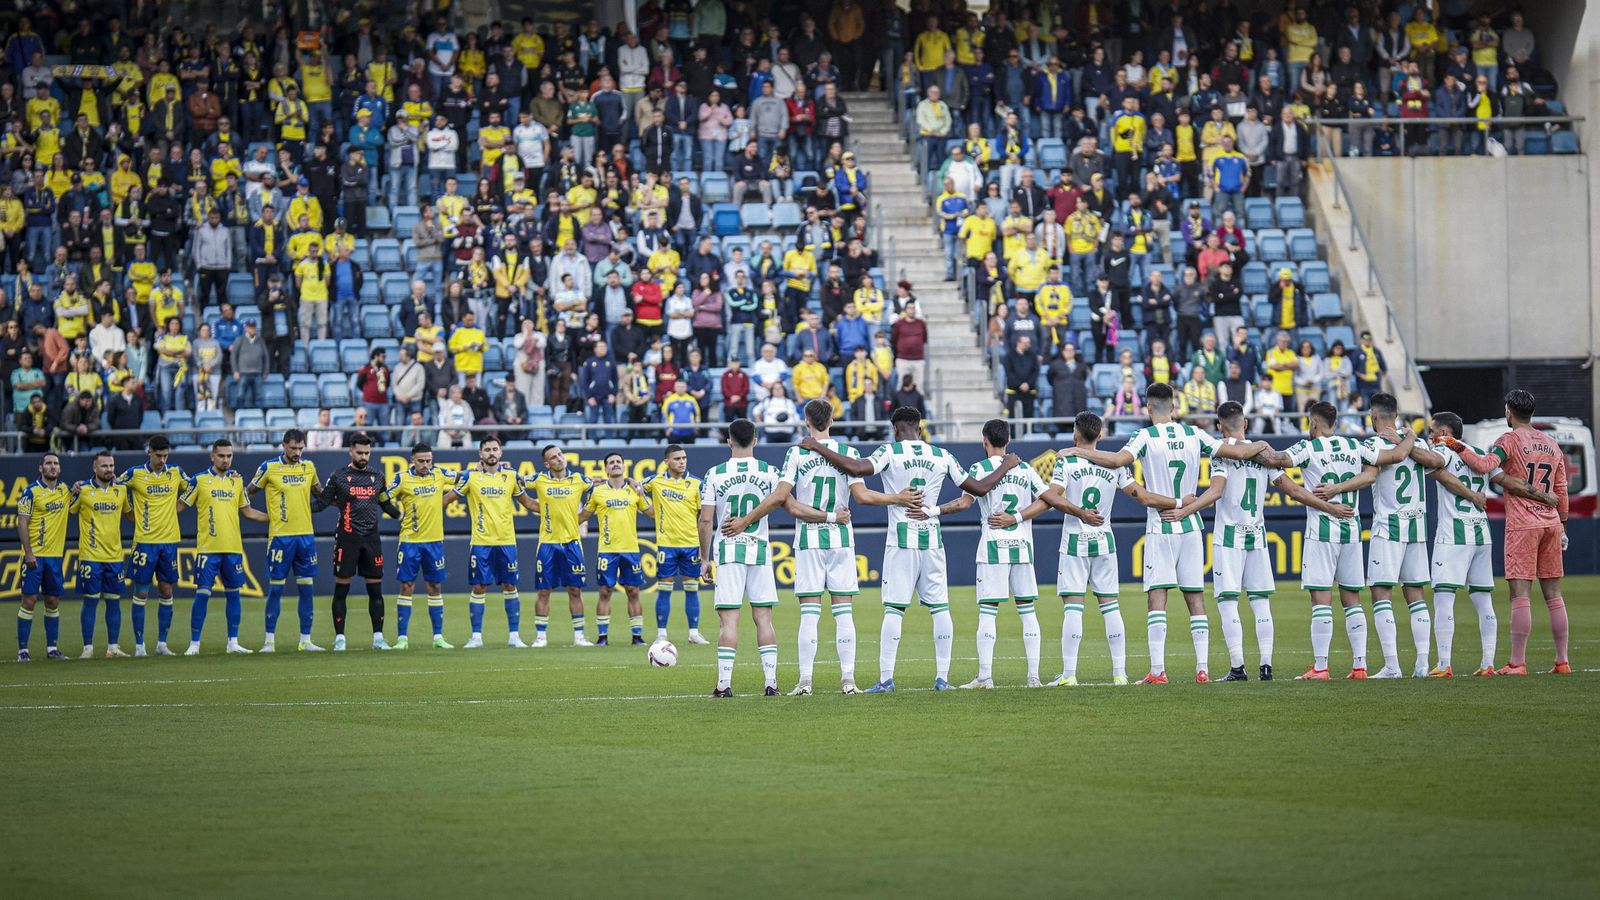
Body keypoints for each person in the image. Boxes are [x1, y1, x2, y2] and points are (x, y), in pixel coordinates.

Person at [1064, 382, 1277, 684]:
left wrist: (1075, 450)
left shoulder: (1145, 436)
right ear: (1174, 407)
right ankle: (1202, 669)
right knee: (1195, 598)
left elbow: (1117, 461)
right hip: (1190, 524)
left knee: (1157, 596)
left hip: (1161, 522)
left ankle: (1157, 671)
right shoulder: (1194, 433)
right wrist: (1262, 446)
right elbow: (1235, 452)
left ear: (1148, 408)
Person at [800, 406, 1017, 693]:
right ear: (920, 426)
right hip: (931, 539)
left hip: (901, 540)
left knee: (894, 608)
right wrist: (1006, 465)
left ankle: (887, 679)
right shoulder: (941, 455)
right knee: (940, 607)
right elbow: (977, 488)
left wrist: (816, 446)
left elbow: (855, 467)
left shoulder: (890, 452)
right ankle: (942, 678)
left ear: (895, 428)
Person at [722, 400, 919, 695]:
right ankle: (849, 680)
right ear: (833, 420)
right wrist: (898, 498)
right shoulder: (850, 453)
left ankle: (805, 681)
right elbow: (863, 497)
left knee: (810, 614)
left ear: (806, 422)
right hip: (841, 537)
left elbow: (782, 498)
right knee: (844, 613)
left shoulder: (797, 453)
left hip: (808, 540)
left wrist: (746, 520)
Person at [1165, 401, 1355, 681]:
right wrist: (1331, 506)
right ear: (1245, 423)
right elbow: (1293, 490)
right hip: (1257, 533)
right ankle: (1266, 666)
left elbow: (1216, 492)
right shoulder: (1264, 454)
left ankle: (1238, 667)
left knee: (1228, 600)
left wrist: (1185, 510)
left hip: (1229, 536)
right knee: (1260, 600)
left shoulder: (1221, 455)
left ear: (1219, 427)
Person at [1251, 401, 1411, 678]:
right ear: (1335, 422)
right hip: (1351, 528)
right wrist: (1410, 437)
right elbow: (1393, 458)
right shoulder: (1355, 446)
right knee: (1352, 598)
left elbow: (1277, 459)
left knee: (1321, 598)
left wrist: (1254, 446)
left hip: (1322, 530)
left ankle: (1321, 666)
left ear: (1313, 422)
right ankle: (1360, 665)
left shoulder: (1307, 447)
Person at [1017, 411, 1174, 684]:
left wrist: (1080, 513)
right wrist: (1179, 503)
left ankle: (1069, 675)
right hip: (1105, 540)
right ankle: (1120, 674)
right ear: (1100, 435)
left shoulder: (1067, 461)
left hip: (1076, 540)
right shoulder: (1114, 465)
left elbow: (1053, 497)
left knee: (1073, 607)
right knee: (1111, 606)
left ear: (1076, 434)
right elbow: (1144, 497)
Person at [1447, 390, 1573, 676]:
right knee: (1554, 594)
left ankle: (1517, 662)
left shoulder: (1509, 441)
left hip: (1523, 524)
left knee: (1520, 594)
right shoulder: (1552, 444)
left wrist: (1457, 445)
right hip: (1551, 523)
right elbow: (1561, 489)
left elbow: (1483, 465)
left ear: (1509, 412)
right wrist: (1563, 526)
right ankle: (1562, 661)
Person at [1426, 410, 1554, 677]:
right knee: (1483, 599)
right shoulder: (1479, 454)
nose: (1429, 436)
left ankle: (1444, 663)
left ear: (1444, 434)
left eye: (1432, 431)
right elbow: (1509, 482)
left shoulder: (1443, 452)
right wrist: (1542, 495)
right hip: (1481, 534)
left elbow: (1437, 470)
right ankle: (1487, 663)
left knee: (1443, 596)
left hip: (1454, 534)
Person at [442, 436, 539, 648]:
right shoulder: (471, 477)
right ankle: (476, 637)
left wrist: (555, 509)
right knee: (479, 586)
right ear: (480, 454)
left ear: (501, 452)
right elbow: (446, 499)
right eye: (487, 449)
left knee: (510, 585)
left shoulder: (511, 476)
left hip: (506, 541)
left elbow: (529, 503)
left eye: (495, 449)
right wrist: (422, 507)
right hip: (481, 541)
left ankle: (514, 636)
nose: (491, 453)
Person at [177, 440, 269, 655]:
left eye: (229, 456)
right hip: (208, 549)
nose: (226, 459)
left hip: (233, 548)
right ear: (212, 456)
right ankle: (194, 644)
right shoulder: (199, 481)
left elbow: (248, 512)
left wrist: (276, 519)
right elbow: (179, 507)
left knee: (234, 595)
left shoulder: (237, 482)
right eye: (221, 456)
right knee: (202, 595)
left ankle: (233, 642)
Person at [313, 433, 399, 653]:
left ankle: (378, 638)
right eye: (359, 452)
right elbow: (321, 504)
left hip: (371, 538)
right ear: (350, 451)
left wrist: (401, 516)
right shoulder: (339, 476)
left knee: (376, 590)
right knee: (342, 589)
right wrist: (297, 504)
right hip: (347, 537)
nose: (363, 456)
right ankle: (340, 638)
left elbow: (385, 504)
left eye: (367, 453)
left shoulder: (377, 477)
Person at [248, 429, 325, 653]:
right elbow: (248, 492)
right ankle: (269, 641)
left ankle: (306, 640)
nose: (298, 453)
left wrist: (341, 493)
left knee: (307, 590)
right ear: (284, 445)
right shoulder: (268, 468)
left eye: (301, 448)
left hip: (306, 537)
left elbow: (320, 493)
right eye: (293, 448)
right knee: (275, 590)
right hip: (281, 539)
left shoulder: (308, 467)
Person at [116, 435, 193, 657]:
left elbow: (196, 487)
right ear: (149, 452)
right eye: (158, 455)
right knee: (141, 592)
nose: (162, 459)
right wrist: (129, 511)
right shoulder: (134, 473)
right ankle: (140, 646)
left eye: (165, 455)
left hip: (169, 542)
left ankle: (162, 644)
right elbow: (112, 485)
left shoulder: (176, 472)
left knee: (166, 590)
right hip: (144, 543)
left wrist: (178, 506)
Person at [579, 453, 651, 646]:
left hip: (631, 549)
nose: (615, 464)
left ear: (624, 466)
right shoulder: (597, 492)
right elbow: (583, 516)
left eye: (618, 461)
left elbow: (652, 514)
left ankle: (637, 636)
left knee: (633, 591)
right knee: (604, 591)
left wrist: (643, 494)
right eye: (611, 462)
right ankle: (602, 637)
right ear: (606, 469)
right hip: (607, 550)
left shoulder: (634, 490)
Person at [527, 443, 593, 647]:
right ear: (547, 463)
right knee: (544, 590)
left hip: (572, 542)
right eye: (553, 457)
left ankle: (579, 636)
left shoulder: (579, 480)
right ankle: (541, 636)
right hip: (547, 543)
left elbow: (597, 494)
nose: (559, 458)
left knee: (575, 590)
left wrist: (582, 517)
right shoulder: (538, 479)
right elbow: (514, 484)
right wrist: (536, 506)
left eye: (560, 454)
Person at [643, 445, 709, 645]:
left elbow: (702, 516)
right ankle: (661, 633)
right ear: (666, 461)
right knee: (664, 589)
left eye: (684, 458)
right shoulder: (654, 481)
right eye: (677, 458)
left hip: (690, 544)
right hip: (666, 544)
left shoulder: (696, 484)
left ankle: (694, 633)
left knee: (692, 589)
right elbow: (634, 488)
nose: (682, 462)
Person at [72, 451, 131, 658]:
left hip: (115, 556)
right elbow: (68, 511)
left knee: (114, 602)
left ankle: (113, 648)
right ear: (94, 468)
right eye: (104, 466)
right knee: (90, 601)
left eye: (112, 466)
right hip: (91, 556)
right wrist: (73, 490)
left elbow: (129, 513)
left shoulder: (121, 490)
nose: (109, 470)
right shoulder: (83, 490)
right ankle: (87, 648)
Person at [15, 452, 71, 661]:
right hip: (35, 557)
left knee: (52, 601)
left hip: (55, 557)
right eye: (48, 463)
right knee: (29, 601)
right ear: (41, 468)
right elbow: (22, 522)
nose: (52, 466)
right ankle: (23, 651)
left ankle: (52, 649)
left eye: (56, 463)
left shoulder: (65, 490)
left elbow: (79, 492)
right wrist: (28, 552)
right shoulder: (30, 492)